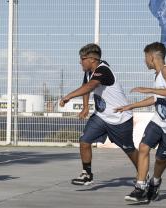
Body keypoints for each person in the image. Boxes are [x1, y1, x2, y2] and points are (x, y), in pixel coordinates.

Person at [115, 42, 166, 203]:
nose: (144, 61)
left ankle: (155, 182)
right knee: (143, 147)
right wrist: (130, 106)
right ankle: (140, 187)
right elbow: (157, 98)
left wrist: (150, 89)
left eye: (145, 57)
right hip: (159, 119)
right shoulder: (158, 74)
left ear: (152, 57)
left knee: (161, 158)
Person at [60, 43, 139, 186]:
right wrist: (85, 107)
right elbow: (86, 87)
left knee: (129, 149)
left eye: (82, 59)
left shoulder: (103, 70)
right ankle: (87, 174)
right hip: (101, 117)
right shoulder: (89, 71)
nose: (80, 62)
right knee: (84, 141)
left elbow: (91, 85)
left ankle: (143, 175)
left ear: (91, 59)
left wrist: (69, 96)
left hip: (119, 117)